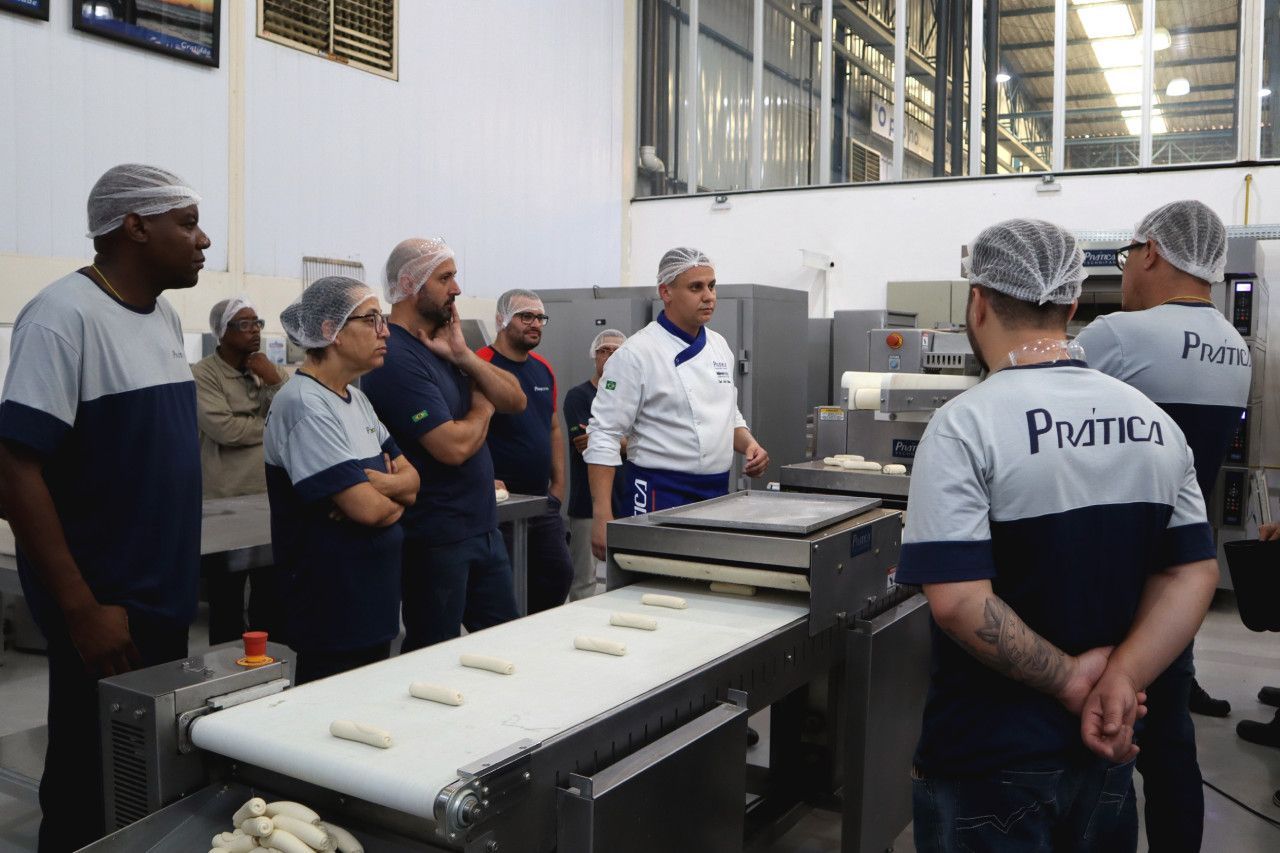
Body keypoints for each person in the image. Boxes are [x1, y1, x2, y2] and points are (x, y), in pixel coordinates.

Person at [897, 219, 1219, 852]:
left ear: (978, 301)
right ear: (1072, 303)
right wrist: (1121, 679)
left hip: (985, 759)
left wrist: (1073, 680)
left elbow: (960, 600)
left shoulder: (964, 426)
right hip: (1106, 752)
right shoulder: (1153, 424)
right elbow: (1192, 572)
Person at [0, 164, 209, 853]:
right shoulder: (62, 317)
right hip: (106, 609)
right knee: (87, 787)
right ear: (135, 226)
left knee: (147, 775)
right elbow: (14, 466)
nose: (202, 239)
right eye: (187, 222)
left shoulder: (163, 315)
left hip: (164, 597)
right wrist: (81, 609)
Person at [1074, 200, 1250, 851]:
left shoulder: (1118, 335)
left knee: (1098, 724)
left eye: (1126, 259)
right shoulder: (1236, 346)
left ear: (1150, 252)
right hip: (1183, 568)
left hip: (1109, 568)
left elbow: (1021, 395)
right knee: (1170, 739)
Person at [362, 238, 525, 650]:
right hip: (436, 538)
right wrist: (483, 410)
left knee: (505, 647)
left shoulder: (442, 344)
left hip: (481, 528)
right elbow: (451, 447)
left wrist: (466, 358)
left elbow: (516, 399)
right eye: (445, 277)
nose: (456, 289)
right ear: (410, 283)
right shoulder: (394, 357)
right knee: (433, 655)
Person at [263, 276, 417, 684]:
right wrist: (391, 493)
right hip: (332, 605)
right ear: (331, 331)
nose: (384, 331)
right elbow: (366, 509)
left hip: (374, 599)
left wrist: (381, 487)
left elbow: (414, 480)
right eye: (371, 320)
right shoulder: (304, 403)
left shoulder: (357, 399)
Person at [584, 247, 769, 561]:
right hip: (658, 489)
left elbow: (729, 413)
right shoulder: (637, 353)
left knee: (704, 579)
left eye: (711, 286)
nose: (708, 296)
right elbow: (603, 435)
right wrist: (602, 514)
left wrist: (750, 444)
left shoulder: (718, 346)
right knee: (651, 584)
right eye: (695, 287)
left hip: (715, 491)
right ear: (665, 292)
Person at [192, 296, 288, 643]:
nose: (254, 332)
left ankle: (270, 667)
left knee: (270, 597)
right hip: (225, 502)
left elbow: (295, 411)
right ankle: (225, 673)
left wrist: (274, 378)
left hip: (266, 497)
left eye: (257, 323)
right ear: (221, 332)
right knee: (226, 600)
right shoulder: (203, 374)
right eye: (244, 324)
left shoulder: (263, 369)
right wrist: (270, 429)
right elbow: (224, 429)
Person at [476, 289, 574, 613]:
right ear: (502, 320)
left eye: (540, 317)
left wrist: (557, 487)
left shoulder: (542, 369)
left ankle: (534, 638)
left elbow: (553, 427)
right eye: (526, 316)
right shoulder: (481, 365)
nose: (536, 324)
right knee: (503, 590)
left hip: (541, 504)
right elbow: (471, 430)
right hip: (500, 507)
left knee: (558, 575)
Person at [563, 328, 629, 600]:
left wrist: (610, 440)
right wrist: (629, 441)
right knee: (584, 584)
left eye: (616, 351)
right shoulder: (578, 396)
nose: (610, 356)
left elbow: (602, 441)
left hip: (625, 502)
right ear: (594, 356)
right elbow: (584, 445)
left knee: (625, 579)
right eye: (604, 350)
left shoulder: (632, 397)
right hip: (587, 506)